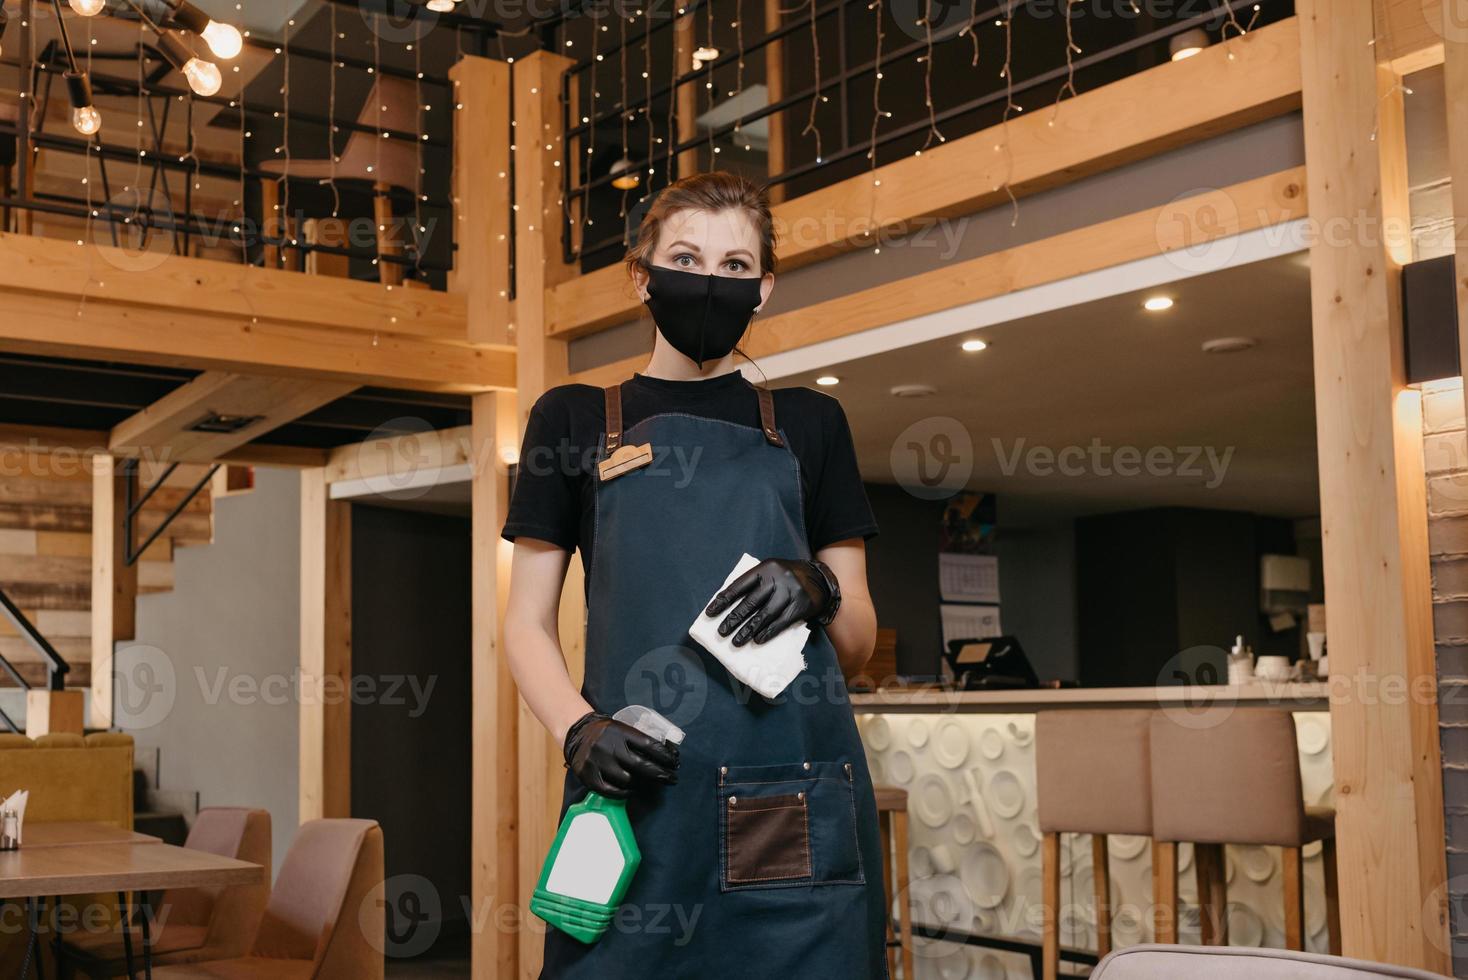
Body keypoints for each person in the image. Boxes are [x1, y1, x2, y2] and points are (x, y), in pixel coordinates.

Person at [502, 170, 888, 978]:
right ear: (642, 275)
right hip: (634, 799)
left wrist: (819, 589)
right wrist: (578, 729)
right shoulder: (572, 419)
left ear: (765, 287)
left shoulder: (812, 425)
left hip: (791, 799)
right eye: (687, 257)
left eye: (735, 266)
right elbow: (524, 623)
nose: (710, 281)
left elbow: (855, 646)